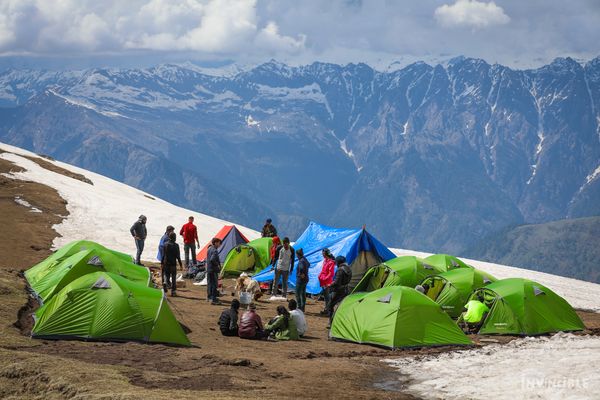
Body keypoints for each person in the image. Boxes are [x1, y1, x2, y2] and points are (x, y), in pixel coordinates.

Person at [327, 256, 352, 326]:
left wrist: (330, 285)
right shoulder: (348, 268)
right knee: (341, 306)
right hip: (346, 289)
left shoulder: (340, 270)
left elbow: (337, 282)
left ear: (338, 262)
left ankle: (331, 323)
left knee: (330, 305)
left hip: (338, 290)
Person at [161, 232, 183, 297]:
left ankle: (165, 282)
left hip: (166, 262)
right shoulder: (176, 245)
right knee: (173, 278)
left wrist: (162, 262)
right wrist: (181, 264)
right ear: (174, 238)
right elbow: (178, 256)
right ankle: (173, 292)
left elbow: (163, 255)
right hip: (173, 264)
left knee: (166, 274)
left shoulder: (165, 244)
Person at [318, 248, 335, 314]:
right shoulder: (325, 260)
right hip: (323, 281)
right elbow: (324, 270)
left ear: (326, 254)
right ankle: (327, 309)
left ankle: (328, 311)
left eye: (323, 253)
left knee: (327, 297)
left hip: (327, 282)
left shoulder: (331, 262)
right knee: (326, 296)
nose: (322, 255)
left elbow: (331, 273)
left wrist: (324, 278)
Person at [206, 237, 222, 305]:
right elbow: (212, 259)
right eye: (218, 243)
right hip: (213, 270)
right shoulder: (215, 250)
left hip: (209, 269)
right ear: (215, 243)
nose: (219, 245)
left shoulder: (209, 249)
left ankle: (209, 297)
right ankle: (213, 299)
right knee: (214, 284)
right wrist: (217, 265)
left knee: (209, 283)